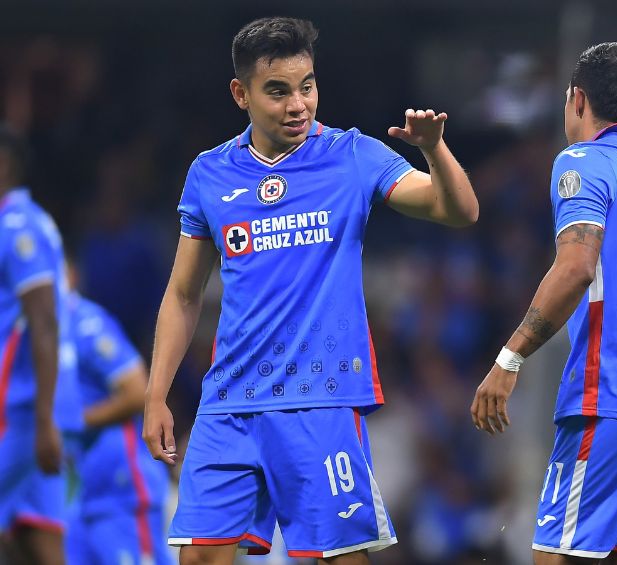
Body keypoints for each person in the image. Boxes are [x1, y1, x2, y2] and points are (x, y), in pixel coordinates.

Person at [141, 16, 478, 565]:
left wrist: (435, 150)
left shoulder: (351, 156)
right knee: (199, 557)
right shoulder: (210, 174)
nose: (298, 104)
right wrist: (156, 395)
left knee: (335, 559)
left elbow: (459, 211)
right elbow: (182, 295)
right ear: (240, 94)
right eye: (277, 91)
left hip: (321, 401)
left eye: (307, 86)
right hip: (228, 403)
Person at [472, 42, 617, 564]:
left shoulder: (583, 160)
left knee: (556, 556)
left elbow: (576, 267)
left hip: (616, 398)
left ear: (577, 99)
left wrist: (509, 359)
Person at [0, 125, 82, 565]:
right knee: (41, 545)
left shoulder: (17, 227)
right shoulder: (30, 220)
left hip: (22, 412)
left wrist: (45, 418)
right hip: (37, 414)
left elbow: (44, 321)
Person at [64, 284, 172, 565]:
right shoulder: (37, 333)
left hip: (122, 489)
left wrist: (71, 422)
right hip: (83, 491)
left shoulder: (86, 323)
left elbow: (136, 392)